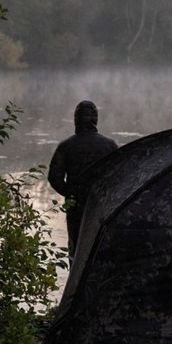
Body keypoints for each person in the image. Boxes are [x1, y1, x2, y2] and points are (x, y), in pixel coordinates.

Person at [48, 100, 117, 256]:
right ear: (95, 119)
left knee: (76, 246)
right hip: (101, 204)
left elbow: (54, 178)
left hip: (76, 206)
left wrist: (70, 194)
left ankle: (75, 270)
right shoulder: (109, 145)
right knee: (100, 244)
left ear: (76, 119)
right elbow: (118, 176)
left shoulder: (65, 146)